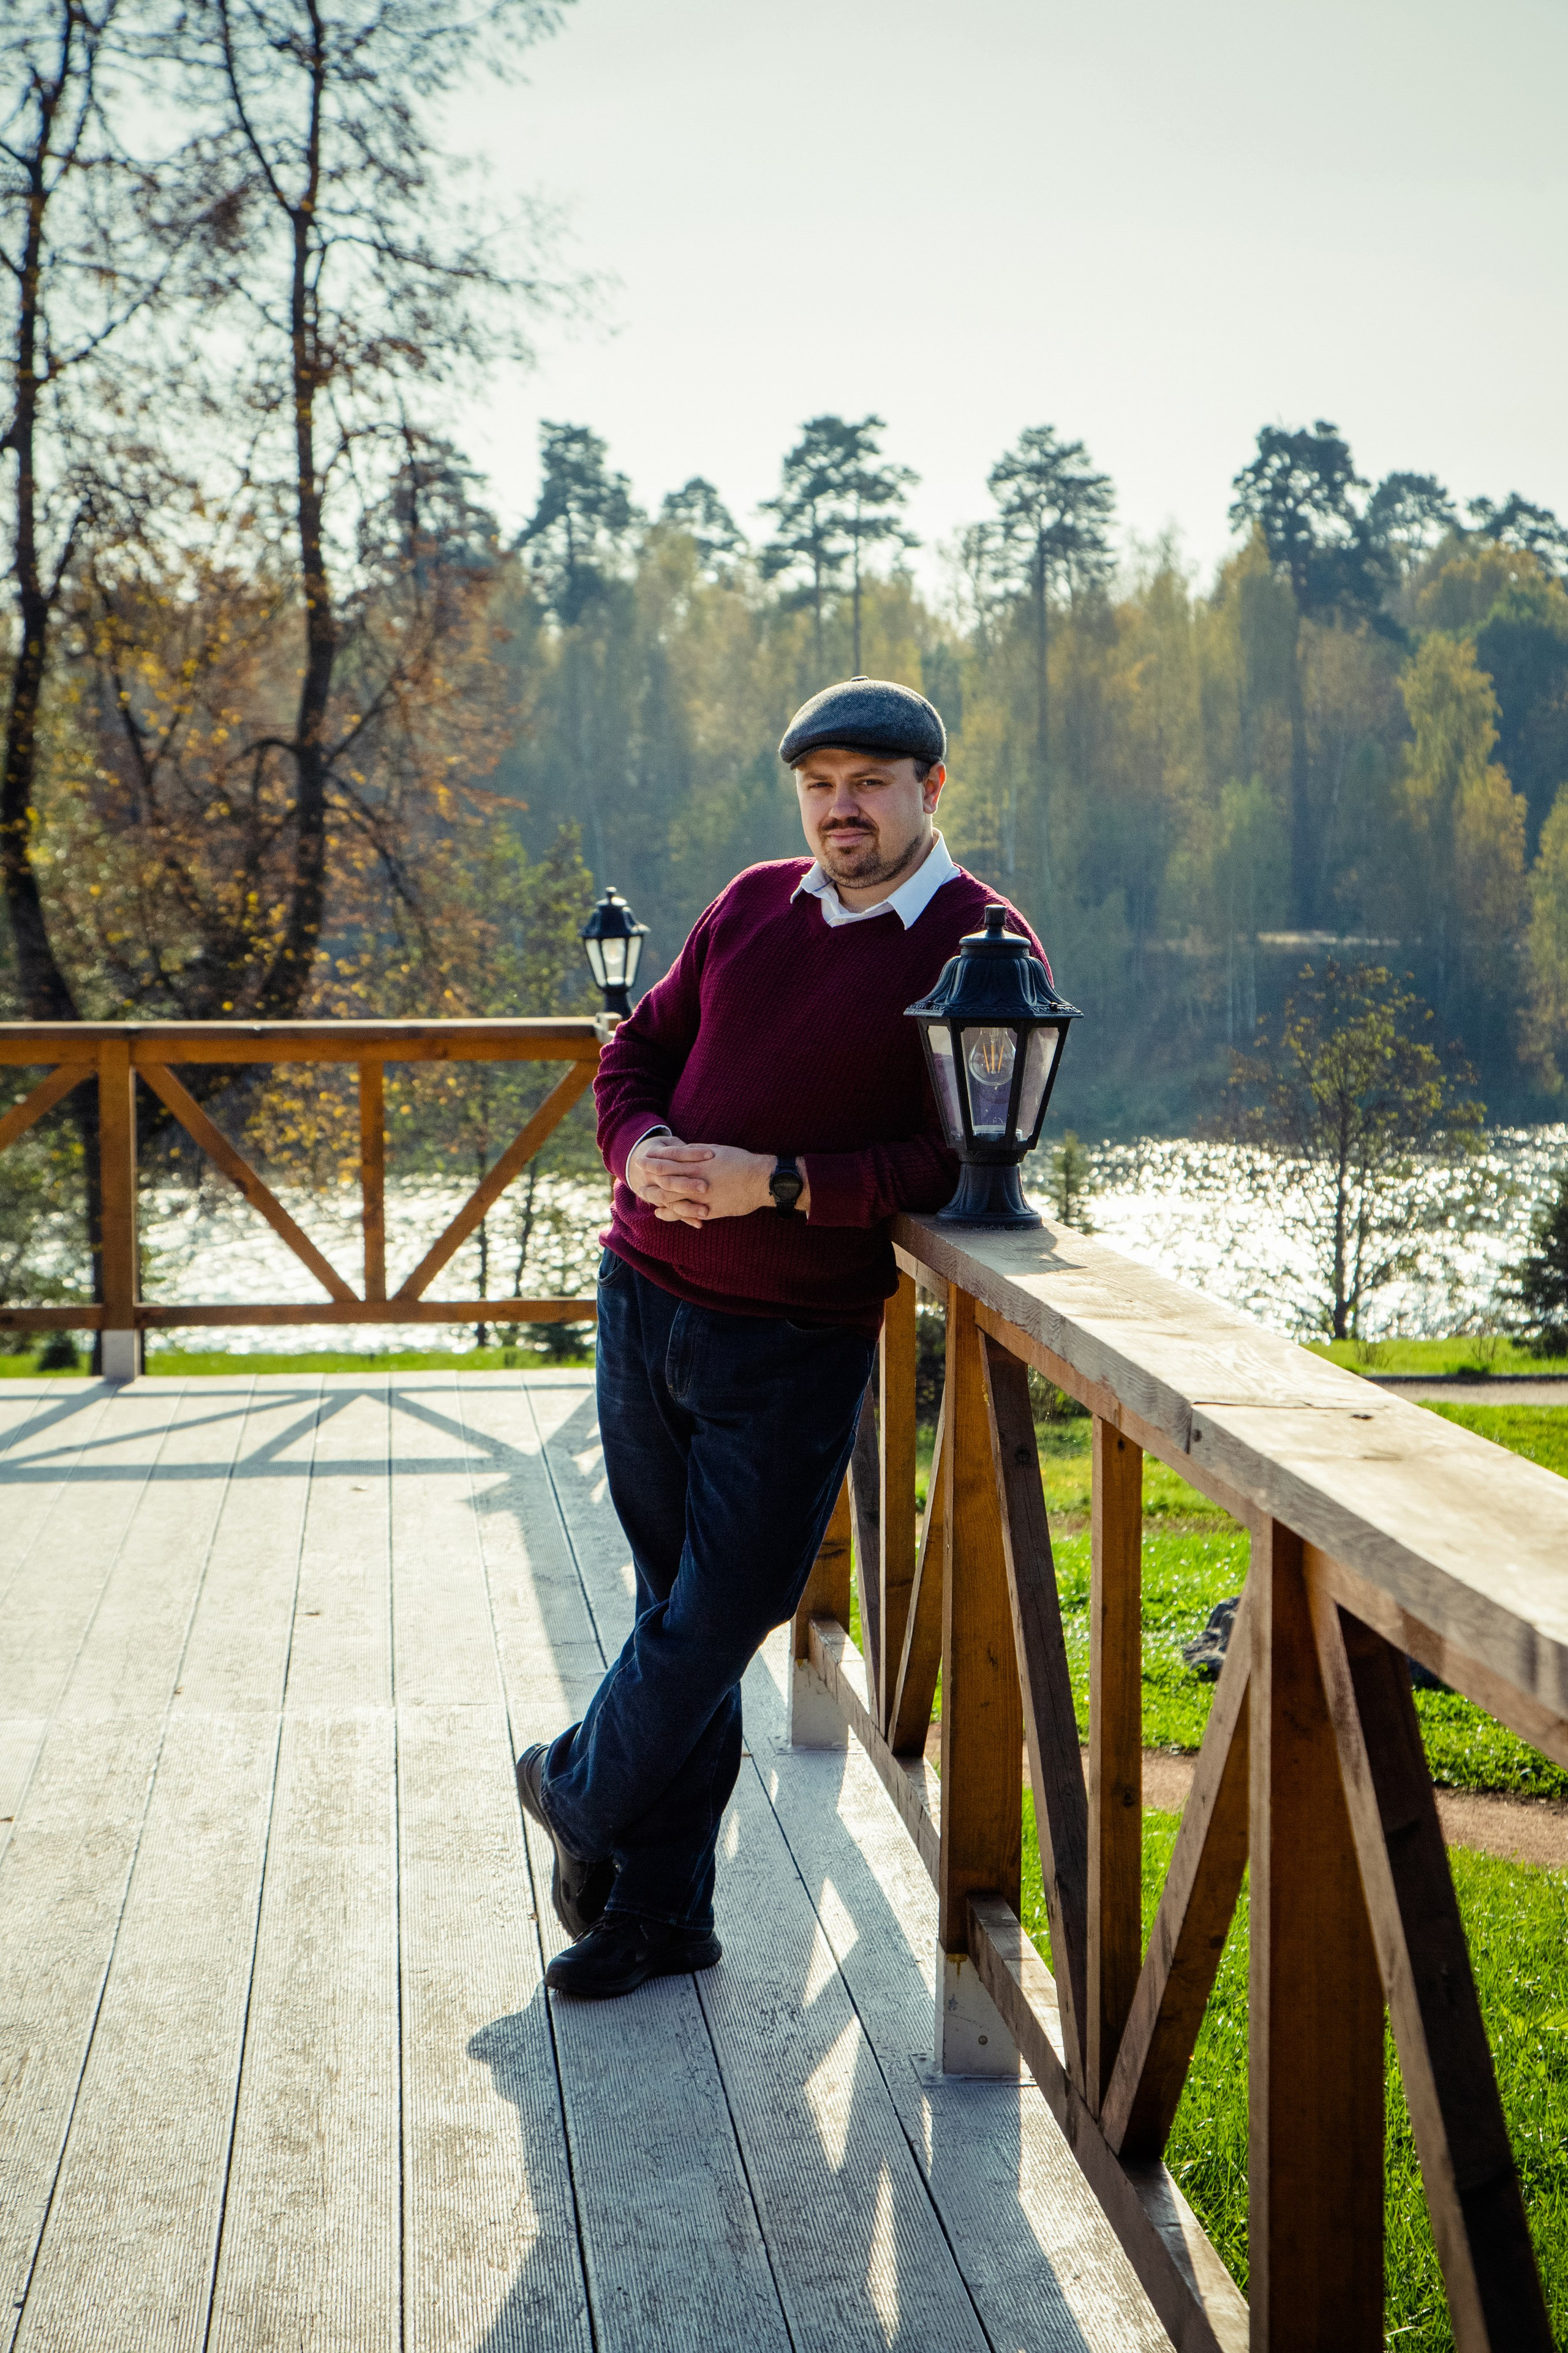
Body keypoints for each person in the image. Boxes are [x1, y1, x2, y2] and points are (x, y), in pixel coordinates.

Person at [516, 675, 1049, 1999]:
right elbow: (632, 1059)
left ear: (931, 789)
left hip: (792, 1337)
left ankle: (573, 1783)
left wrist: (789, 1183)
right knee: (674, 1614)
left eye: (868, 785)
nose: (839, 810)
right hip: (643, 1298)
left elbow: (954, 1159)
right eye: (819, 788)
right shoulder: (753, 902)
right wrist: (639, 1150)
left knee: (731, 1606)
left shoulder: (981, 951)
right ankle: (658, 1912)